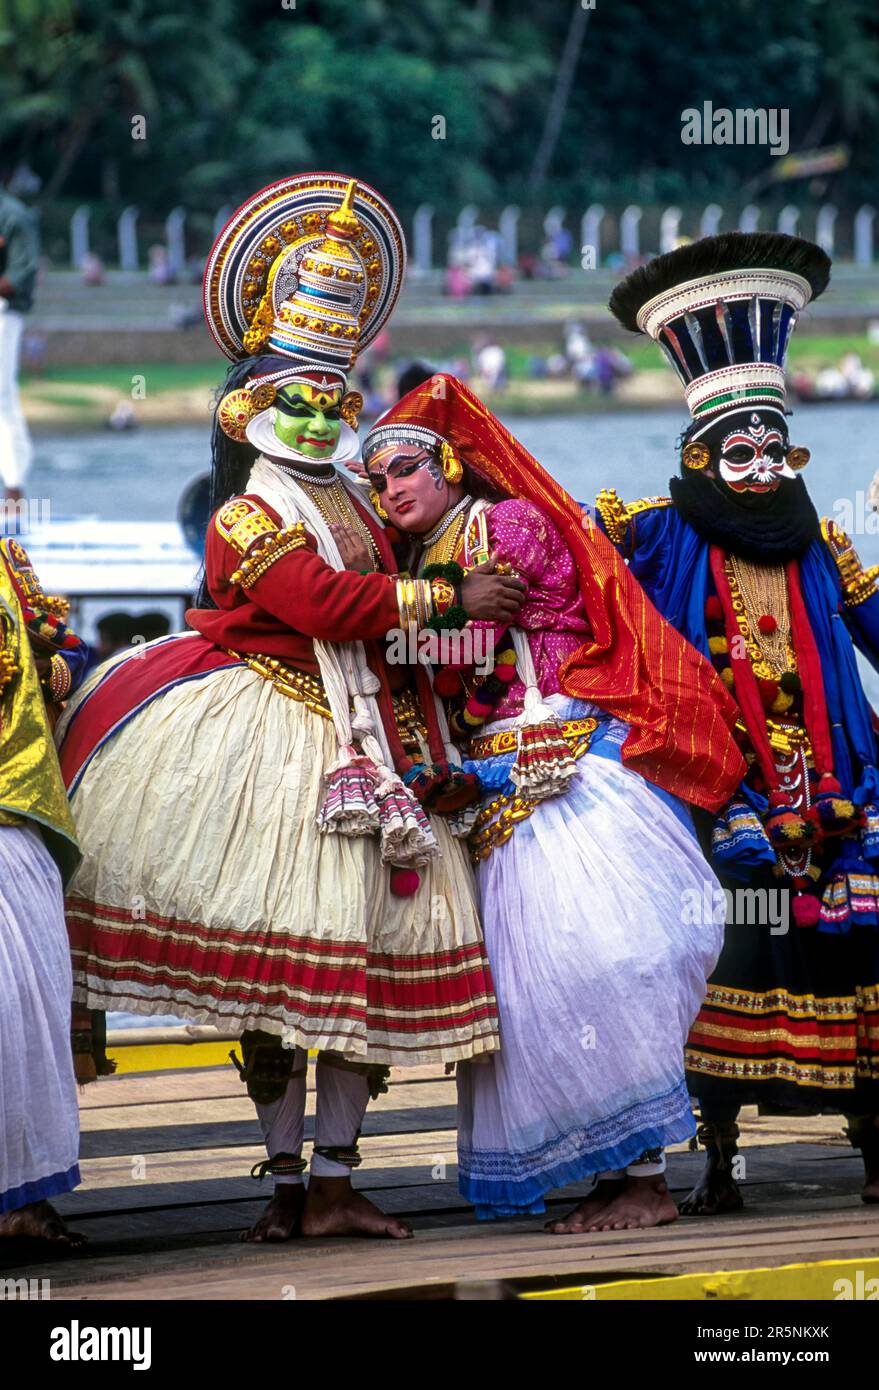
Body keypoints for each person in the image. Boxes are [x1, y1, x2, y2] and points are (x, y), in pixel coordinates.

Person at [55, 175, 524, 1244]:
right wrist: (446, 596)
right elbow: (318, 602)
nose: (318, 412)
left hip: (370, 740)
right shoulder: (245, 511)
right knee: (277, 977)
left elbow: (382, 604)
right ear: (249, 407)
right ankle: (280, 1183)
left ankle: (337, 1180)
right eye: (296, 397)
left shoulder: (356, 497)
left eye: (333, 397)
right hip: (266, 743)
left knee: (366, 964)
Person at [359, 375, 746, 1231]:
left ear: (451, 464)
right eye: (378, 479)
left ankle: (645, 1179)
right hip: (490, 790)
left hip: (565, 754)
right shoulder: (420, 565)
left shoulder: (510, 526)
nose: (390, 490)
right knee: (523, 995)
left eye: (405, 469)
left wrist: (436, 612)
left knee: (601, 958)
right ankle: (613, 1172)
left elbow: (479, 642)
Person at [601, 232, 879, 1212]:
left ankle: (873, 1142)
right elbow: (588, 611)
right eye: (740, 451)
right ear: (700, 454)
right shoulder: (653, 534)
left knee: (859, 947)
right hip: (719, 793)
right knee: (727, 950)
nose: (761, 468)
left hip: (839, 787)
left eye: (776, 449)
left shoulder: (822, 541)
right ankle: (717, 1159)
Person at [0, 536, 89, 1244]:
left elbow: (65, 648)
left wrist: (55, 669)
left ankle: (21, 1201)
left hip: (16, 811)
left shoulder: (7, 559)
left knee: (28, 1011)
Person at [0, 177, 39, 502]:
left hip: (3, 312)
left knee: (1, 396)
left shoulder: (13, 215)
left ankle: (14, 488)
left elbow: (21, 274)